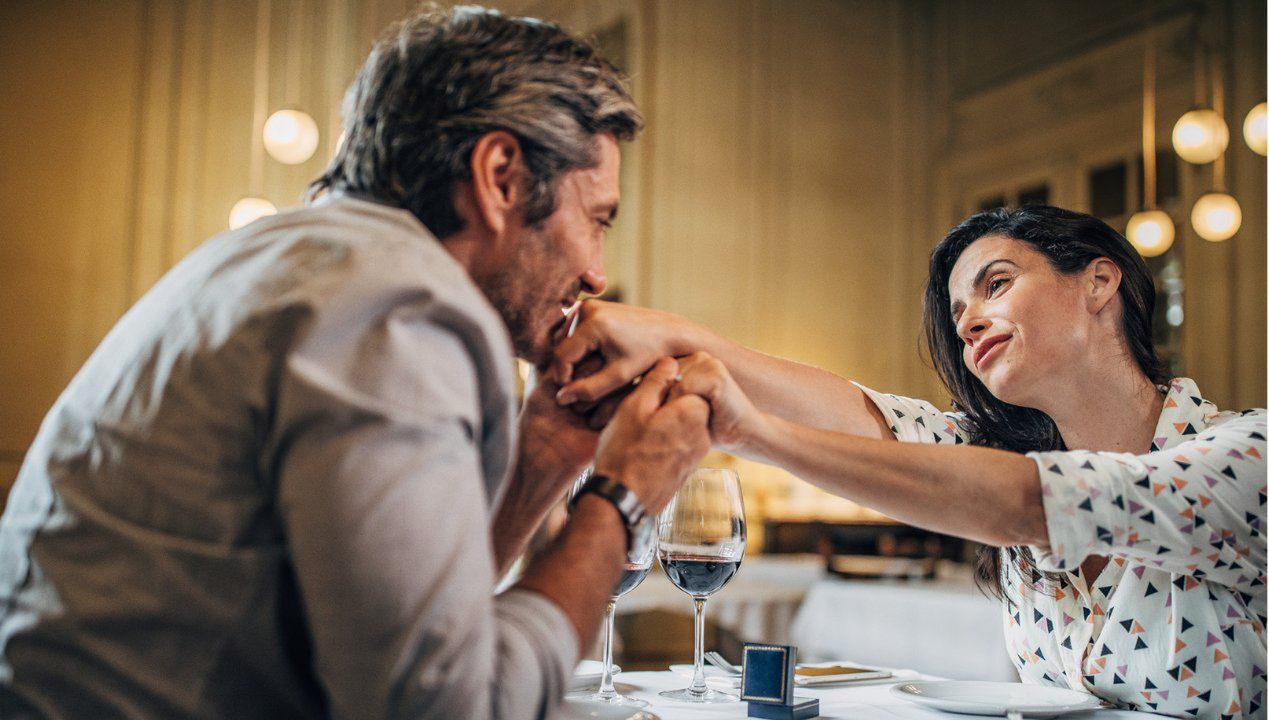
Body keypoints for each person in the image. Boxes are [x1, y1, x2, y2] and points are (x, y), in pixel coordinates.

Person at [0, 7, 712, 719]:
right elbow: (442, 709)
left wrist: (541, 459)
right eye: (597, 219)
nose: (595, 273)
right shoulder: (395, 307)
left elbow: (400, 632)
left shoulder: (286, 261)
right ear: (500, 177)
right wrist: (623, 497)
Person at [552, 205, 1267, 718]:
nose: (968, 322)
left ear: (1099, 282)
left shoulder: (1246, 455)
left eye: (994, 284)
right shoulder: (994, 456)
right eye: (957, 314)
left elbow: (1035, 502)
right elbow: (866, 420)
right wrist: (679, 340)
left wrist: (753, 434)